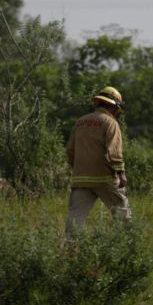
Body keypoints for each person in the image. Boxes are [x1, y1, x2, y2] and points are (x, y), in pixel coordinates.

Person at [65, 86, 131, 235]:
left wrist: (78, 168)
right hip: (105, 178)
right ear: (114, 107)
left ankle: (70, 251)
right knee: (122, 214)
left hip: (81, 179)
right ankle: (128, 246)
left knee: (75, 219)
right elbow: (114, 153)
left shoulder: (80, 122)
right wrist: (121, 174)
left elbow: (70, 151)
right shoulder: (110, 123)